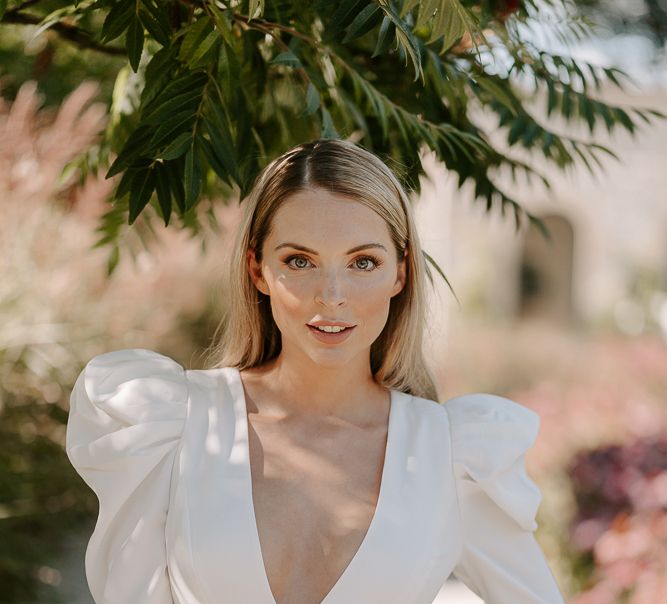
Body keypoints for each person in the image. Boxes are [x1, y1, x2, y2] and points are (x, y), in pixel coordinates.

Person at [66, 138, 565, 604]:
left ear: (401, 272)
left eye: (363, 262)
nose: (331, 295)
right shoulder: (173, 425)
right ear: (257, 269)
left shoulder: (453, 455)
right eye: (300, 261)